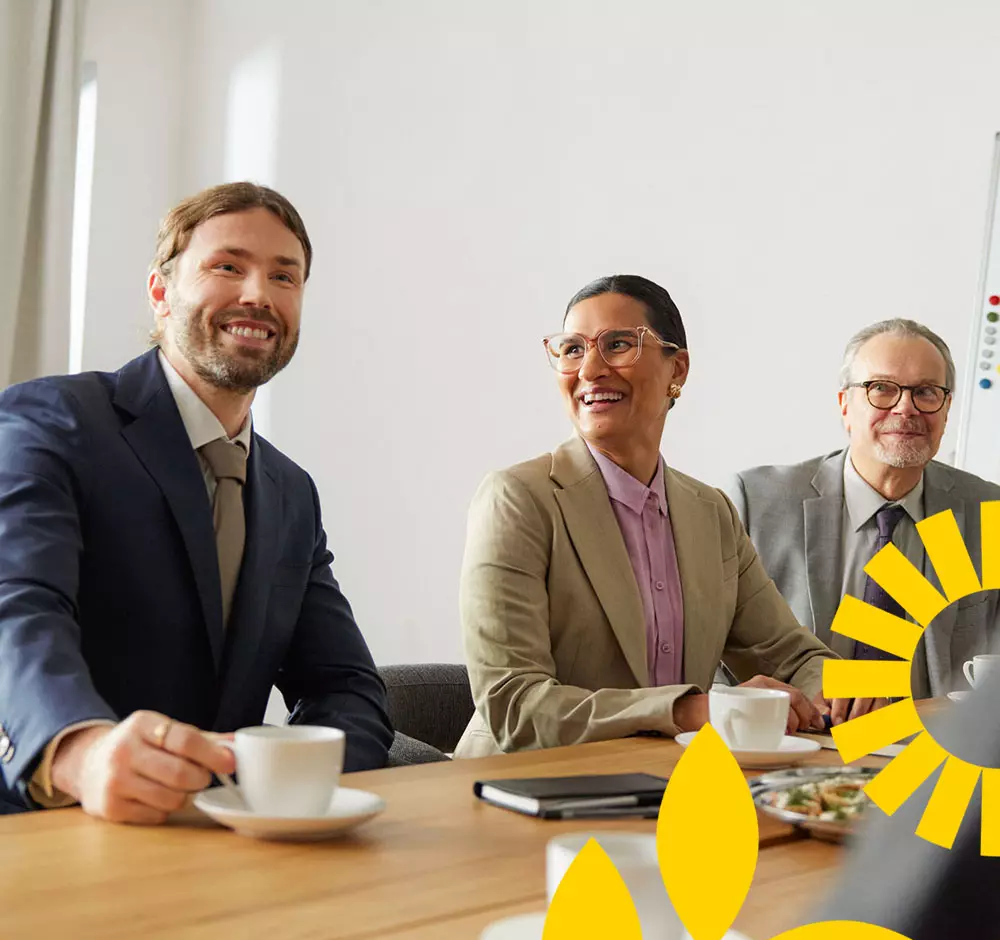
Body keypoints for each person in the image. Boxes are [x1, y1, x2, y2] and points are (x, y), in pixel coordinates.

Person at [0, 182, 393, 820]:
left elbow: (344, 685)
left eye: (284, 277)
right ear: (161, 293)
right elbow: (17, 609)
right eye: (227, 266)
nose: (258, 295)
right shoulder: (50, 421)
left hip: (227, 849)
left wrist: (282, 775)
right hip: (37, 829)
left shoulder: (291, 493)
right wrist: (80, 750)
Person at [454, 275, 832, 758]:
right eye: (572, 349)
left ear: (679, 368)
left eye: (618, 345)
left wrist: (839, 690)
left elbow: (792, 656)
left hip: (667, 789)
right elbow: (515, 705)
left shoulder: (711, 512)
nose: (589, 369)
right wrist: (690, 711)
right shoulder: (516, 499)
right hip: (521, 792)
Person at [727, 319, 1000, 723]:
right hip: (793, 744)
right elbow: (712, 653)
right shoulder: (759, 502)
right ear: (845, 405)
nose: (905, 408)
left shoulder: (986, 511)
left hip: (934, 755)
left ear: (946, 410)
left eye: (926, 392)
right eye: (882, 389)